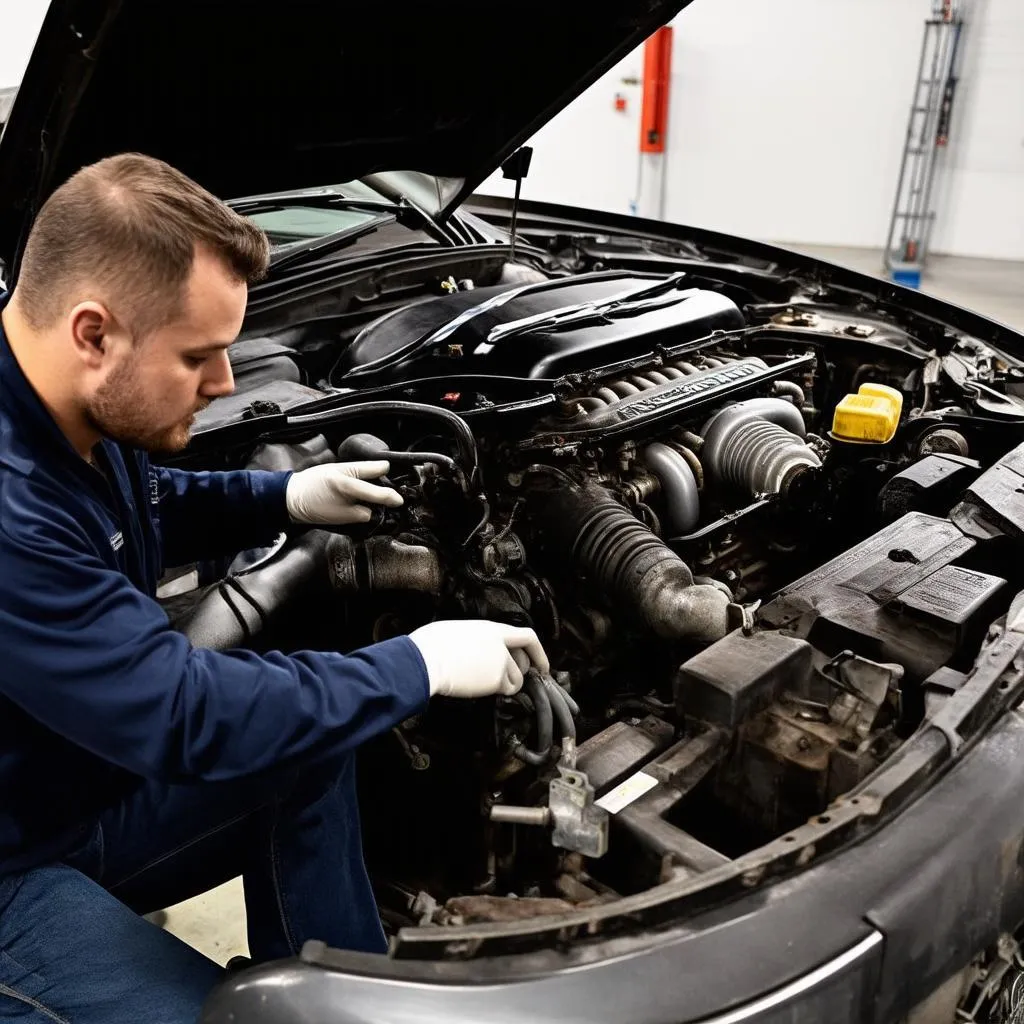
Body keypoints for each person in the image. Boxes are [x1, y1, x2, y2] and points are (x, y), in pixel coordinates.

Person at [0, 153, 549, 1023]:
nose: (224, 383)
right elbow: (186, 717)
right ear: (92, 332)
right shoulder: (8, 509)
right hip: (9, 872)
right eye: (200, 356)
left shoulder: (71, 402)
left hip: (67, 793)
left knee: (306, 752)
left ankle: (350, 1002)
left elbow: (139, 503)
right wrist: (416, 665)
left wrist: (282, 495)